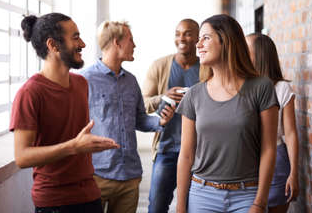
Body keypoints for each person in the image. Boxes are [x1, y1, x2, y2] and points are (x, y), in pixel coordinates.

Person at [10, 13, 119, 213]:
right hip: (55, 203)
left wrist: (88, 145)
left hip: (90, 196)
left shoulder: (81, 84)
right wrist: (73, 147)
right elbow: (22, 157)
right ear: (53, 45)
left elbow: (75, 139)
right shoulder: (30, 93)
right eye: (75, 37)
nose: (83, 44)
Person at [176, 14, 279, 213]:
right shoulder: (194, 95)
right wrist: (181, 207)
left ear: (227, 41)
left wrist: (260, 202)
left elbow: (269, 149)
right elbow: (186, 155)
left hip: (247, 195)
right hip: (202, 195)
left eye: (206, 37)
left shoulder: (261, 87)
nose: (198, 45)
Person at [80, 20, 174, 213]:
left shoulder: (131, 81)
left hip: (130, 178)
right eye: (130, 39)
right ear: (117, 42)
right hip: (97, 176)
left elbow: (139, 119)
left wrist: (160, 121)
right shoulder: (84, 80)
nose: (135, 45)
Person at [142, 19, 200, 213]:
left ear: (198, 38)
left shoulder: (206, 69)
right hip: (166, 149)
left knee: (194, 207)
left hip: (198, 152)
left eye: (187, 33)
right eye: (178, 33)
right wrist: (162, 97)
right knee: (157, 207)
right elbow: (142, 104)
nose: (181, 38)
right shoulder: (160, 66)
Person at [246, 33, 299, 213]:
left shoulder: (282, 88)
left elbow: (290, 133)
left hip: (278, 161)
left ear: (260, 55)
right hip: (247, 161)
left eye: (246, 50)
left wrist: (294, 173)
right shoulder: (240, 86)